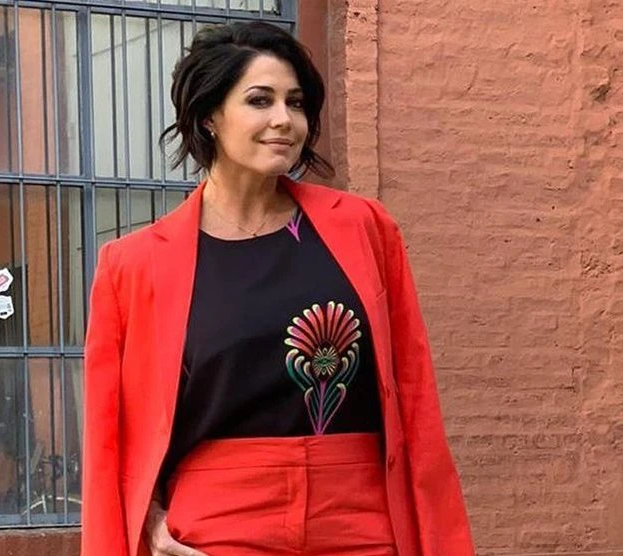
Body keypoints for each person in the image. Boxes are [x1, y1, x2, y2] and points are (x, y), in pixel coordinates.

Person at [81, 21, 474, 556]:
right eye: (260, 100)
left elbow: (414, 389)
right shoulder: (134, 265)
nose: (284, 120)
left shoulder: (363, 229)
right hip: (220, 526)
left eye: (296, 103)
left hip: (360, 519)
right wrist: (147, 520)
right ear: (209, 116)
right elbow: (111, 434)